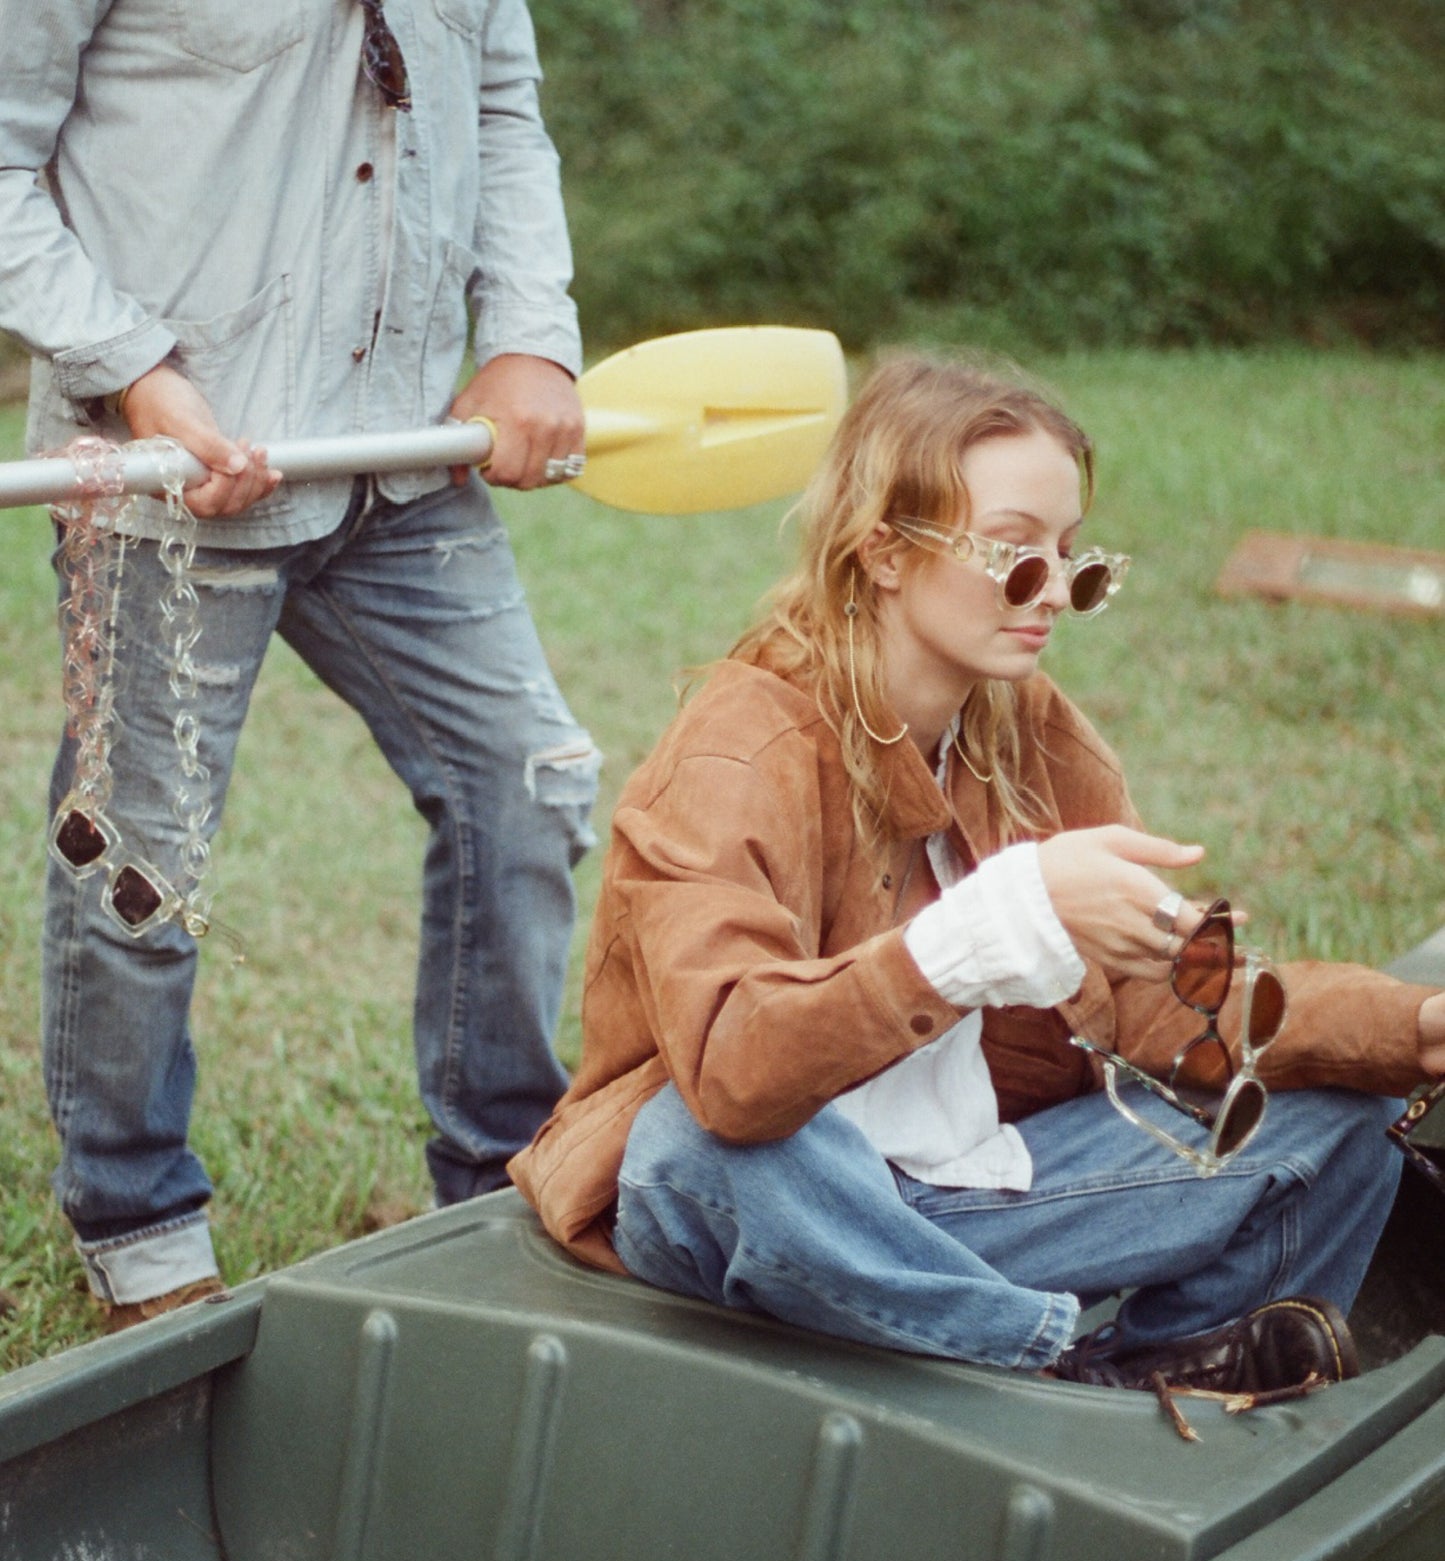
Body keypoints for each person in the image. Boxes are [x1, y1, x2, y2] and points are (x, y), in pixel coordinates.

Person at [509, 353, 1445, 1391]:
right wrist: (995, 925)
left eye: (1073, 557)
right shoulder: (737, 750)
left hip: (974, 1194)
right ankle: (1061, 1373)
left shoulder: (1030, 728)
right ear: (883, 552)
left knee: (1344, 1114)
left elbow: (1158, 999)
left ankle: (1149, 1367)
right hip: (804, 1205)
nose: (1053, 595)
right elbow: (733, 1077)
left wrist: (1405, 1028)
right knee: (689, 1151)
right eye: (1012, 555)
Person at [0, 0, 599, 1326]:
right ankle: (140, 1216)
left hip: (400, 458)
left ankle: (501, 1177)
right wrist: (138, 370)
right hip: (162, 471)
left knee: (531, 784)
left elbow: (501, 112)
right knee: (140, 861)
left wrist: (531, 334)